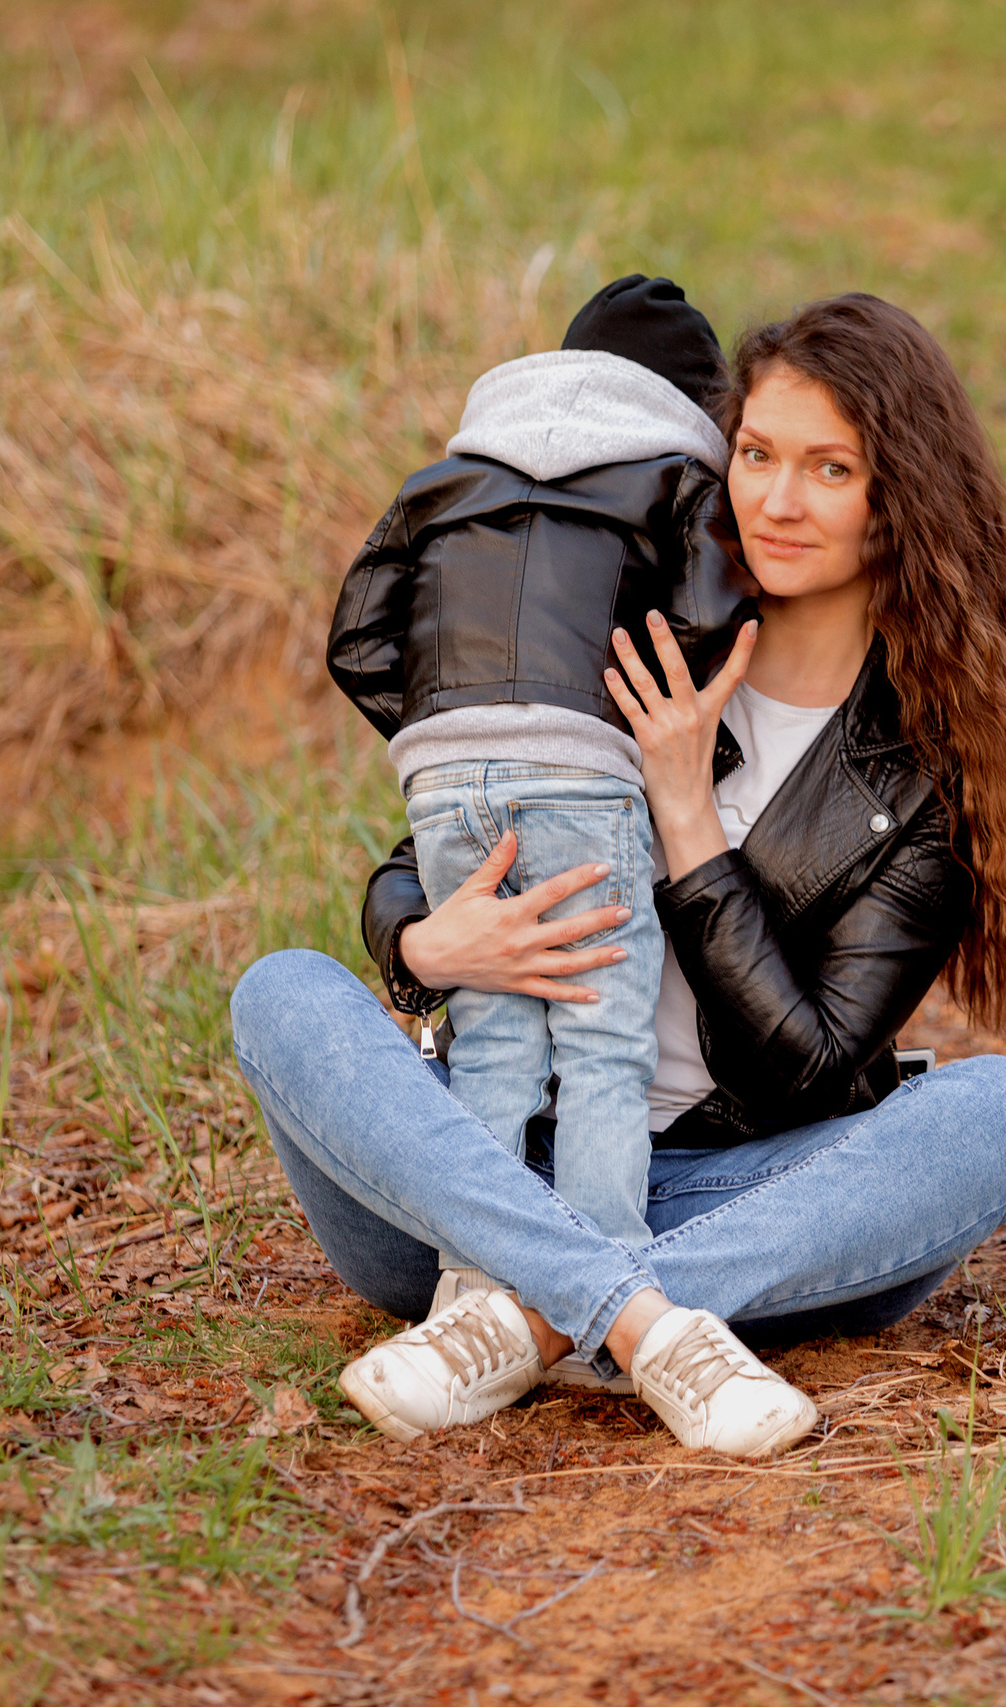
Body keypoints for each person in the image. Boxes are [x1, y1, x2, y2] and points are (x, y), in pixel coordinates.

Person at [232, 292, 1006, 1459]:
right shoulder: (634, 627)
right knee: (281, 991)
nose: (778, 501)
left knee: (1002, 1110)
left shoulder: (926, 777)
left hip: (732, 1199)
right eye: (757, 455)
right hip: (474, 1187)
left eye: (830, 469)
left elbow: (807, 1071)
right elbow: (421, 864)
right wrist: (423, 949)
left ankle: (534, 1321)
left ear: (903, 502)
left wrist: (689, 820)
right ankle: (640, 1324)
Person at [323, 274, 756, 1306]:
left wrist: (439, 720)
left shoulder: (444, 479)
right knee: (604, 1041)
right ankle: (596, 1293)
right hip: (581, 766)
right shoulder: (671, 478)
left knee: (497, 1040)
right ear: (695, 410)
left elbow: (356, 636)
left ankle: (472, 1285)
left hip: (443, 779)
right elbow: (707, 613)